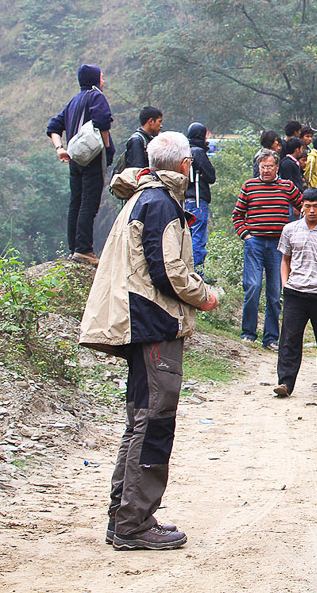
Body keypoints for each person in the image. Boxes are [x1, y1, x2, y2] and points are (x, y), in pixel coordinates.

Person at [80, 131, 218, 550]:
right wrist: (207, 295)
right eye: (190, 162)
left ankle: (122, 515)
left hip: (137, 322)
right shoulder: (161, 204)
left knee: (139, 420)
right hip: (153, 323)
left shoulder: (142, 196)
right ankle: (135, 522)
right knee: (155, 421)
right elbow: (168, 272)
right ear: (183, 166)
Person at [274, 188, 317, 398]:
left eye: (316, 206)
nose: (311, 210)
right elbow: (285, 259)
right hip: (295, 292)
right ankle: (285, 383)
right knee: (289, 338)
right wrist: (285, 285)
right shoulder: (290, 229)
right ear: (301, 207)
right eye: (307, 206)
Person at [231, 150, 302, 351]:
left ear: (277, 167)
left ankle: (271, 337)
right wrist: (246, 235)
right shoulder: (249, 186)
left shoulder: (287, 186)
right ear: (258, 167)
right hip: (255, 243)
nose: (266, 170)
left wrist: (296, 233)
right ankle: (248, 333)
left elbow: (304, 206)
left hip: (278, 245)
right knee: (252, 287)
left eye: (270, 166)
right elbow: (237, 215)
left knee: (274, 292)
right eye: (263, 167)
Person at [47, 64, 114, 265]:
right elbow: (103, 121)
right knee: (89, 203)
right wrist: (106, 147)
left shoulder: (73, 101)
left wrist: (60, 148)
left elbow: (53, 127)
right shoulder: (96, 96)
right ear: (95, 79)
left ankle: (74, 248)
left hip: (75, 159)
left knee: (75, 202)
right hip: (92, 157)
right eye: (102, 77)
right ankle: (84, 249)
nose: (103, 81)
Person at [183, 122, 217, 279]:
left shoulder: (183, 151)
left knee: (187, 237)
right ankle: (198, 273)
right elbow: (211, 176)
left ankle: (186, 270)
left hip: (184, 200)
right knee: (198, 237)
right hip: (197, 199)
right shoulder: (198, 152)